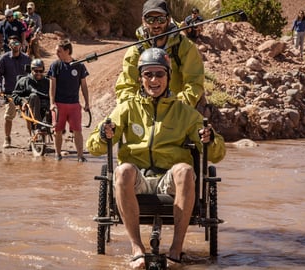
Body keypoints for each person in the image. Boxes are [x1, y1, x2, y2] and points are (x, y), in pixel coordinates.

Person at [87, 48, 226, 269]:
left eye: (159, 74)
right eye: (148, 74)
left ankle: (176, 249)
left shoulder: (184, 111)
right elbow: (93, 146)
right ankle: (137, 248)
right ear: (140, 78)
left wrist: (208, 140)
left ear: (168, 77)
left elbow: (218, 153)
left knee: (185, 170)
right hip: (138, 179)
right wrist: (105, 135)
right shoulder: (127, 107)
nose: (154, 80)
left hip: (168, 181)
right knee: (122, 171)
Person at [114, 0, 206, 114]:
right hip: (145, 113)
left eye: (161, 19)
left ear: (168, 19)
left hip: (176, 110)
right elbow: (126, 87)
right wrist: (136, 112)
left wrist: (177, 106)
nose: (156, 24)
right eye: (150, 20)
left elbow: (194, 82)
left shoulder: (184, 47)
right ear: (143, 21)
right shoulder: (135, 52)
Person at [48, 39, 90, 161]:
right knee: (58, 130)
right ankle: (58, 154)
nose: (57, 54)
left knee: (77, 130)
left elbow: (84, 86)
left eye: (59, 51)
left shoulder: (79, 65)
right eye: (56, 51)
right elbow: (52, 86)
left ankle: (80, 156)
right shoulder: (55, 65)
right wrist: (52, 103)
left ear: (67, 51)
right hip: (59, 104)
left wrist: (87, 103)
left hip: (74, 105)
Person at [0, 35, 32, 148]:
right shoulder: (4, 58)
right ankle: (7, 139)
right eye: (12, 44)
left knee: (29, 117)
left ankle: (32, 139)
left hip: (24, 93)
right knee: (8, 116)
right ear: (9, 46)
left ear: (20, 45)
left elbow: (31, 74)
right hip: (10, 92)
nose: (14, 46)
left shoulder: (26, 58)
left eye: (16, 43)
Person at [12, 58, 50, 137]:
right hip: (31, 106)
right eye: (36, 71)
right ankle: (38, 126)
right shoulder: (24, 81)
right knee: (34, 96)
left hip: (46, 105)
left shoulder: (47, 81)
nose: (39, 73)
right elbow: (15, 95)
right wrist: (22, 102)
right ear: (31, 70)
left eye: (41, 71)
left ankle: (51, 126)